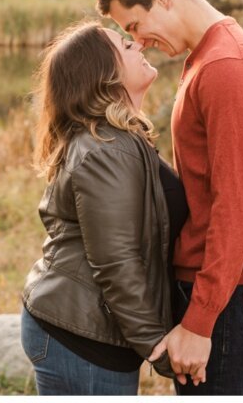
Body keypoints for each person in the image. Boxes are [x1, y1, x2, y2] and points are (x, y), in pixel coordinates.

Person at [96, 0, 243, 396]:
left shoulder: (226, 68)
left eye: (136, 25)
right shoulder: (208, 57)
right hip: (223, 291)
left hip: (228, 297)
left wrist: (200, 321)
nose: (138, 42)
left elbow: (236, 206)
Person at [21, 20, 189, 396]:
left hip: (88, 329)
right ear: (105, 74)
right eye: (126, 47)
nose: (139, 46)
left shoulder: (117, 139)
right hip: (81, 337)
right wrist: (156, 345)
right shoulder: (106, 149)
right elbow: (116, 259)